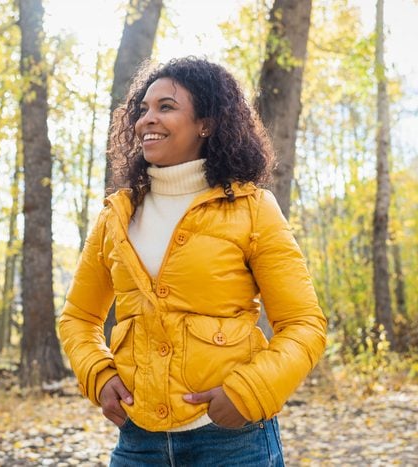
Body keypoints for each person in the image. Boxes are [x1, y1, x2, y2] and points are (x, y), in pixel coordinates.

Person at [58, 57, 327, 466]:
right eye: (143, 109)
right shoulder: (116, 214)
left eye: (166, 107)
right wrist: (97, 373)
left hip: (232, 440)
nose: (147, 119)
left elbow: (304, 324)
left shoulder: (253, 208)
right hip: (138, 440)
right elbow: (78, 317)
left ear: (206, 122)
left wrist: (251, 391)